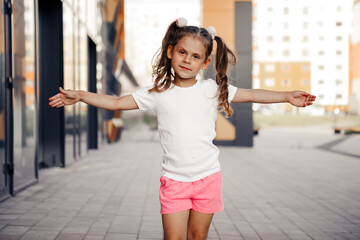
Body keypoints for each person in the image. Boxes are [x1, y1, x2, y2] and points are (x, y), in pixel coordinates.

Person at [49, 18, 316, 240]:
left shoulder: (212, 90)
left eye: (196, 56)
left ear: (205, 63)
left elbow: (252, 94)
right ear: (170, 52)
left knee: (197, 237)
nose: (187, 60)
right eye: (182, 52)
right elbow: (117, 102)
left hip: (208, 178)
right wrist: (82, 95)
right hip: (174, 181)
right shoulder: (157, 93)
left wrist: (286, 96)